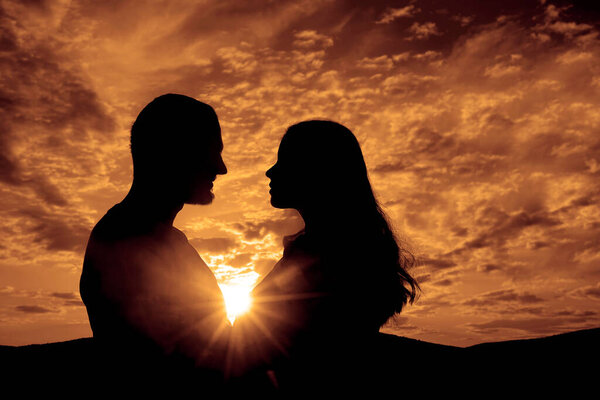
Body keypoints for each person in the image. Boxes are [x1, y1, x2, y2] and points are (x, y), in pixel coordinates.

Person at [233, 120, 420, 394]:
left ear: (315, 171)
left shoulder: (332, 261)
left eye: (284, 161)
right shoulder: (338, 252)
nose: (270, 171)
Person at [79, 94, 230, 392]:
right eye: (211, 151)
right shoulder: (125, 242)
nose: (221, 168)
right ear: (174, 153)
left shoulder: (165, 239)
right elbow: (169, 367)